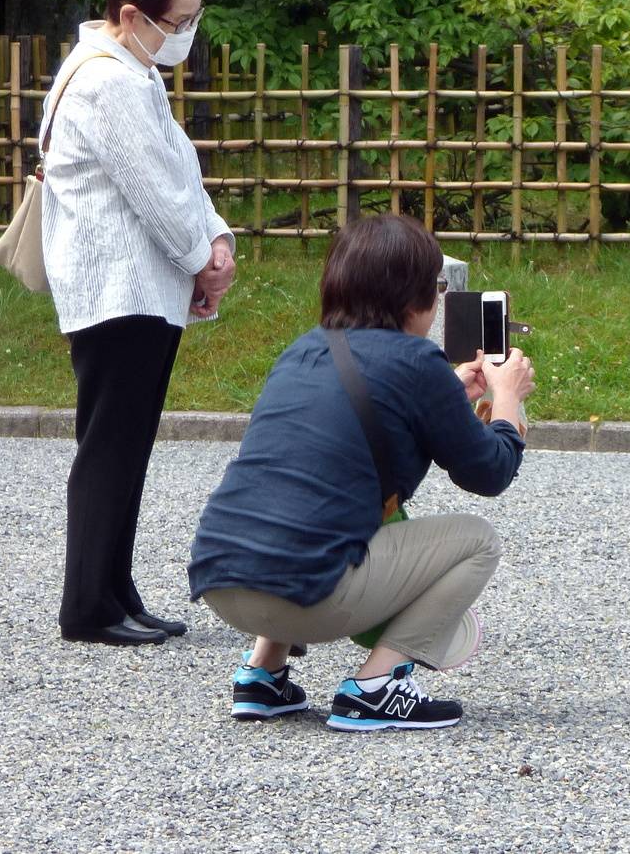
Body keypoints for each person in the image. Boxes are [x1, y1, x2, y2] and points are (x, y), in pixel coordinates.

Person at [188, 214, 534, 733]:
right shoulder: (417, 362)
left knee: (309, 504)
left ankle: (262, 674)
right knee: (476, 540)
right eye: (436, 288)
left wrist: (446, 394)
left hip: (222, 581)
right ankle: (377, 687)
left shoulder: (303, 350)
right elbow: (490, 473)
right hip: (308, 598)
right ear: (415, 299)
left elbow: (337, 447)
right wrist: (506, 401)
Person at [41, 0, 236, 647]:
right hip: (116, 291)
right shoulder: (107, 81)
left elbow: (179, 169)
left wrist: (216, 239)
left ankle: (115, 591)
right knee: (110, 448)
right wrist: (200, 259)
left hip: (142, 288)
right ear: (132, 15)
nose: (186, 33)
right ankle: (88, 605)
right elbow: (152, 189)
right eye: (178, 21)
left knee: (127, 446)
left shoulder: (134, 70)